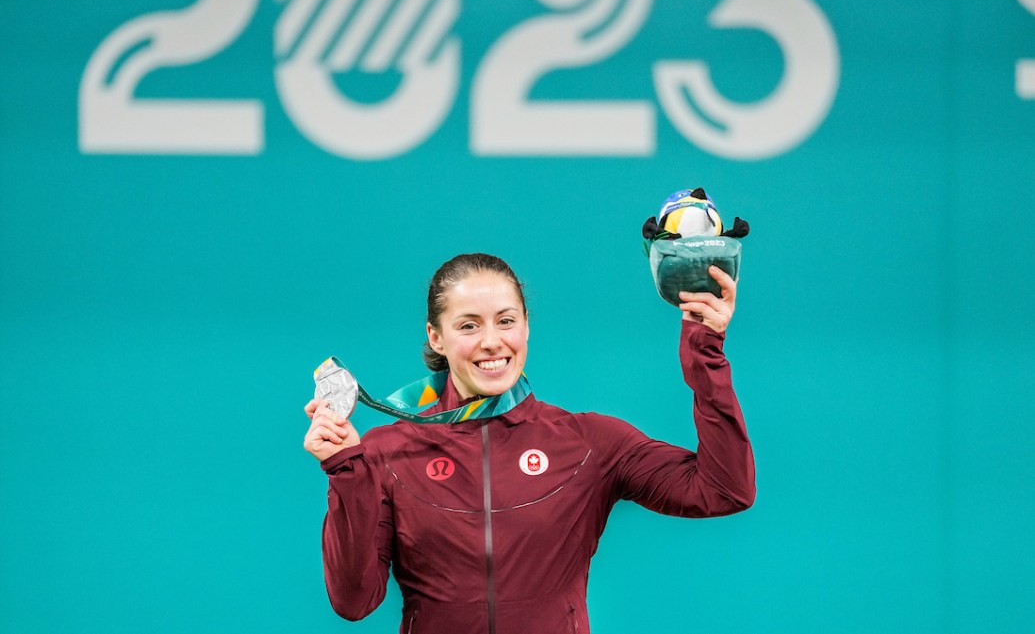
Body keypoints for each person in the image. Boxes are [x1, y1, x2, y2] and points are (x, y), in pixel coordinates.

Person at [303, 253, 754, 634]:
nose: (492, 341)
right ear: (436, 337)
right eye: (468, 326)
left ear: (526, 327)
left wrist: (705, 352)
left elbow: (724, 490)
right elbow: (354, 601)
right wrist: (347, 472)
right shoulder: (387, 452)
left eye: (505, 321)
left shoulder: (588, 443)